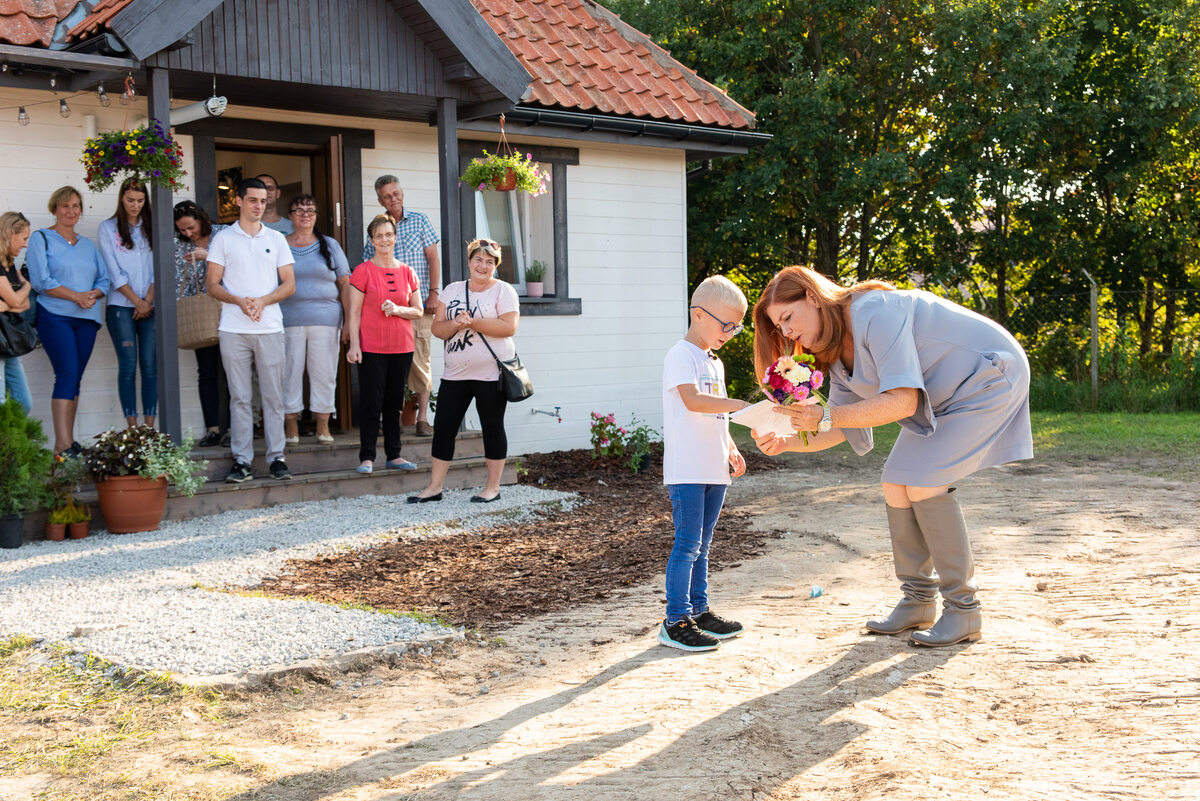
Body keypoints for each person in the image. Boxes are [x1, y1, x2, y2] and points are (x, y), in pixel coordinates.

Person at [752, 265, 1032, 647]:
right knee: (895, 484)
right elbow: (840, 425)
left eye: (787, 317)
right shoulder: (833, 349)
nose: (786, 332)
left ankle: (964, 611)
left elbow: (903, 400)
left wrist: (827, 415)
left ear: (813, 298)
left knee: (921, 483)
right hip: (945, 397)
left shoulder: (874, 311)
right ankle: (918, 602)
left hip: (989, 375)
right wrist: (786, 441)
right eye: (779, 327)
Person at [656, 275, 752, 651]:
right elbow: (693, 401)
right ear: (698, 315)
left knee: (704, 545)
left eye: (737, 326)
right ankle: (675, 620)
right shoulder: (681, 355)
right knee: (687, 545)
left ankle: (699, 611)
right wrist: (740, 406)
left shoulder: (715, 362)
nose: (731, 332)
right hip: (688, 469)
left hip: (714, 466)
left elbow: (715, 415)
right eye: (726, 324)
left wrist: (730, 446)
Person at [408, 238, 517, 504]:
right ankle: (434, 487)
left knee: (492, 427)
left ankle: (492, 488)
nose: (483, 265)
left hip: (491, 373)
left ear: (495, 266)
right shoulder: (452, 290)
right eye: (478, 259)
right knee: (444, 428)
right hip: (455, 373)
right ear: (469, 262)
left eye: (489, 262)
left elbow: (509, 327)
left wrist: (475, 322)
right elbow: (437, 329)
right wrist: (457, 323)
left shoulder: (504, 290)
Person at [206, 178, 296, 483]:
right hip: (233, 328)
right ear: (239, 201)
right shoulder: (223, 239)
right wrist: (238, 301)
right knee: (240, 397)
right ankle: (242, 460)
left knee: (273, 397)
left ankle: (277, 458)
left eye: (263, 200)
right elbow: (212, 284)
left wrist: (263, 300)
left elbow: (289, 284)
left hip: (270, 328)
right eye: (253, 200)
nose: (259, 206)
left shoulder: (277, 238)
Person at [26, 186, 110, 455]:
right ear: (54, 209)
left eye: (75, 206)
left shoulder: (87, 245)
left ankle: (69, 441)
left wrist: (92, 295)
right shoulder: (42, 239)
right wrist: (76, 296)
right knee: (67, 374)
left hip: (86, 318)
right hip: (55, 316)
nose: (70, 211)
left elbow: (104, 280)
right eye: (65, 206)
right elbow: (41, 281)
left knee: (75, 378)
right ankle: (62, 445)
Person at [363, 175, 440, 437]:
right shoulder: (378, 228)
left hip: (418, 305)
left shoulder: (419, 220)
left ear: (402, 193)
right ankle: (393, 417)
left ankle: (422, 418)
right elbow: (368, 266)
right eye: (387, 195)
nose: (393, 198)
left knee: (420, 361)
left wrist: (433, 293)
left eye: (396, 193)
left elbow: (433, 258)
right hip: (386, 310)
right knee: (390, 365)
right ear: (379, 200)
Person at [346, 215, 422, 473]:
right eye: (378, 236)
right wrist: (354, 346)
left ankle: (394, 455)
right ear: (371, 241)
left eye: (388, 234)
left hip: (402, 347)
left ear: (395, 237)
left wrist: (398, 309)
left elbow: (418, 311)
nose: (384, 240)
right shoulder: (362, 271)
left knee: (393, 405)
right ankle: (366, 457)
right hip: (371, 347)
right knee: (371, 403)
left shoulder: (408, 272)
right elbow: (354, 312)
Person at [282, 194, 351, 445]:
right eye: (299, 210)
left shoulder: (329, 244)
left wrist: (349, 323)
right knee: (289, 373)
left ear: (316, 215)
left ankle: (323, 424)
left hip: (327, 319)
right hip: (287, 319)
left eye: (310, 210)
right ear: (290, 215)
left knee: (324, 373)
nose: (305, 215)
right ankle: (291, 424)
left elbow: (345, 284)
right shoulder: (279, 243)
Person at [97, 178, 156, 429]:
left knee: (151, 366)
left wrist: (148, 300)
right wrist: (136, 301)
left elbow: (160, 266)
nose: (135, 205)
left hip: (151, 304)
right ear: (121, 198)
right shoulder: (108, 228)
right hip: (121, 304)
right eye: (130, 200)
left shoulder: (154, 227)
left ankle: (150, 428)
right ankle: (132, 428)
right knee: (128, 366)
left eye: (140, 201)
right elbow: (113, 270)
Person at [174, 201, 230, 446]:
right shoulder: (179, 245)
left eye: (191, 227)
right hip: (201, 315)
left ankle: (234, 430)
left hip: (229, 309)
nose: (188, 233)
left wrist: (208, 257)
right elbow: (179, 282)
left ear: (200, 218)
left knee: (233, 373)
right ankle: (213, 429)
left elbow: (241, 268)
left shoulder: (224, 235)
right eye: (182, 230)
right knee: (206, 372)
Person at [0, 212, 33, 412]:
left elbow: (26, 305)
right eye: (24, 238)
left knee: (24, 403)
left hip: (8, 340)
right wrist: (26, 287)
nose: (26, 244)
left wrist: (12, 304)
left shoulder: (10, 264)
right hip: (1, 337)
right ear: (11, 233)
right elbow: (15, 299)